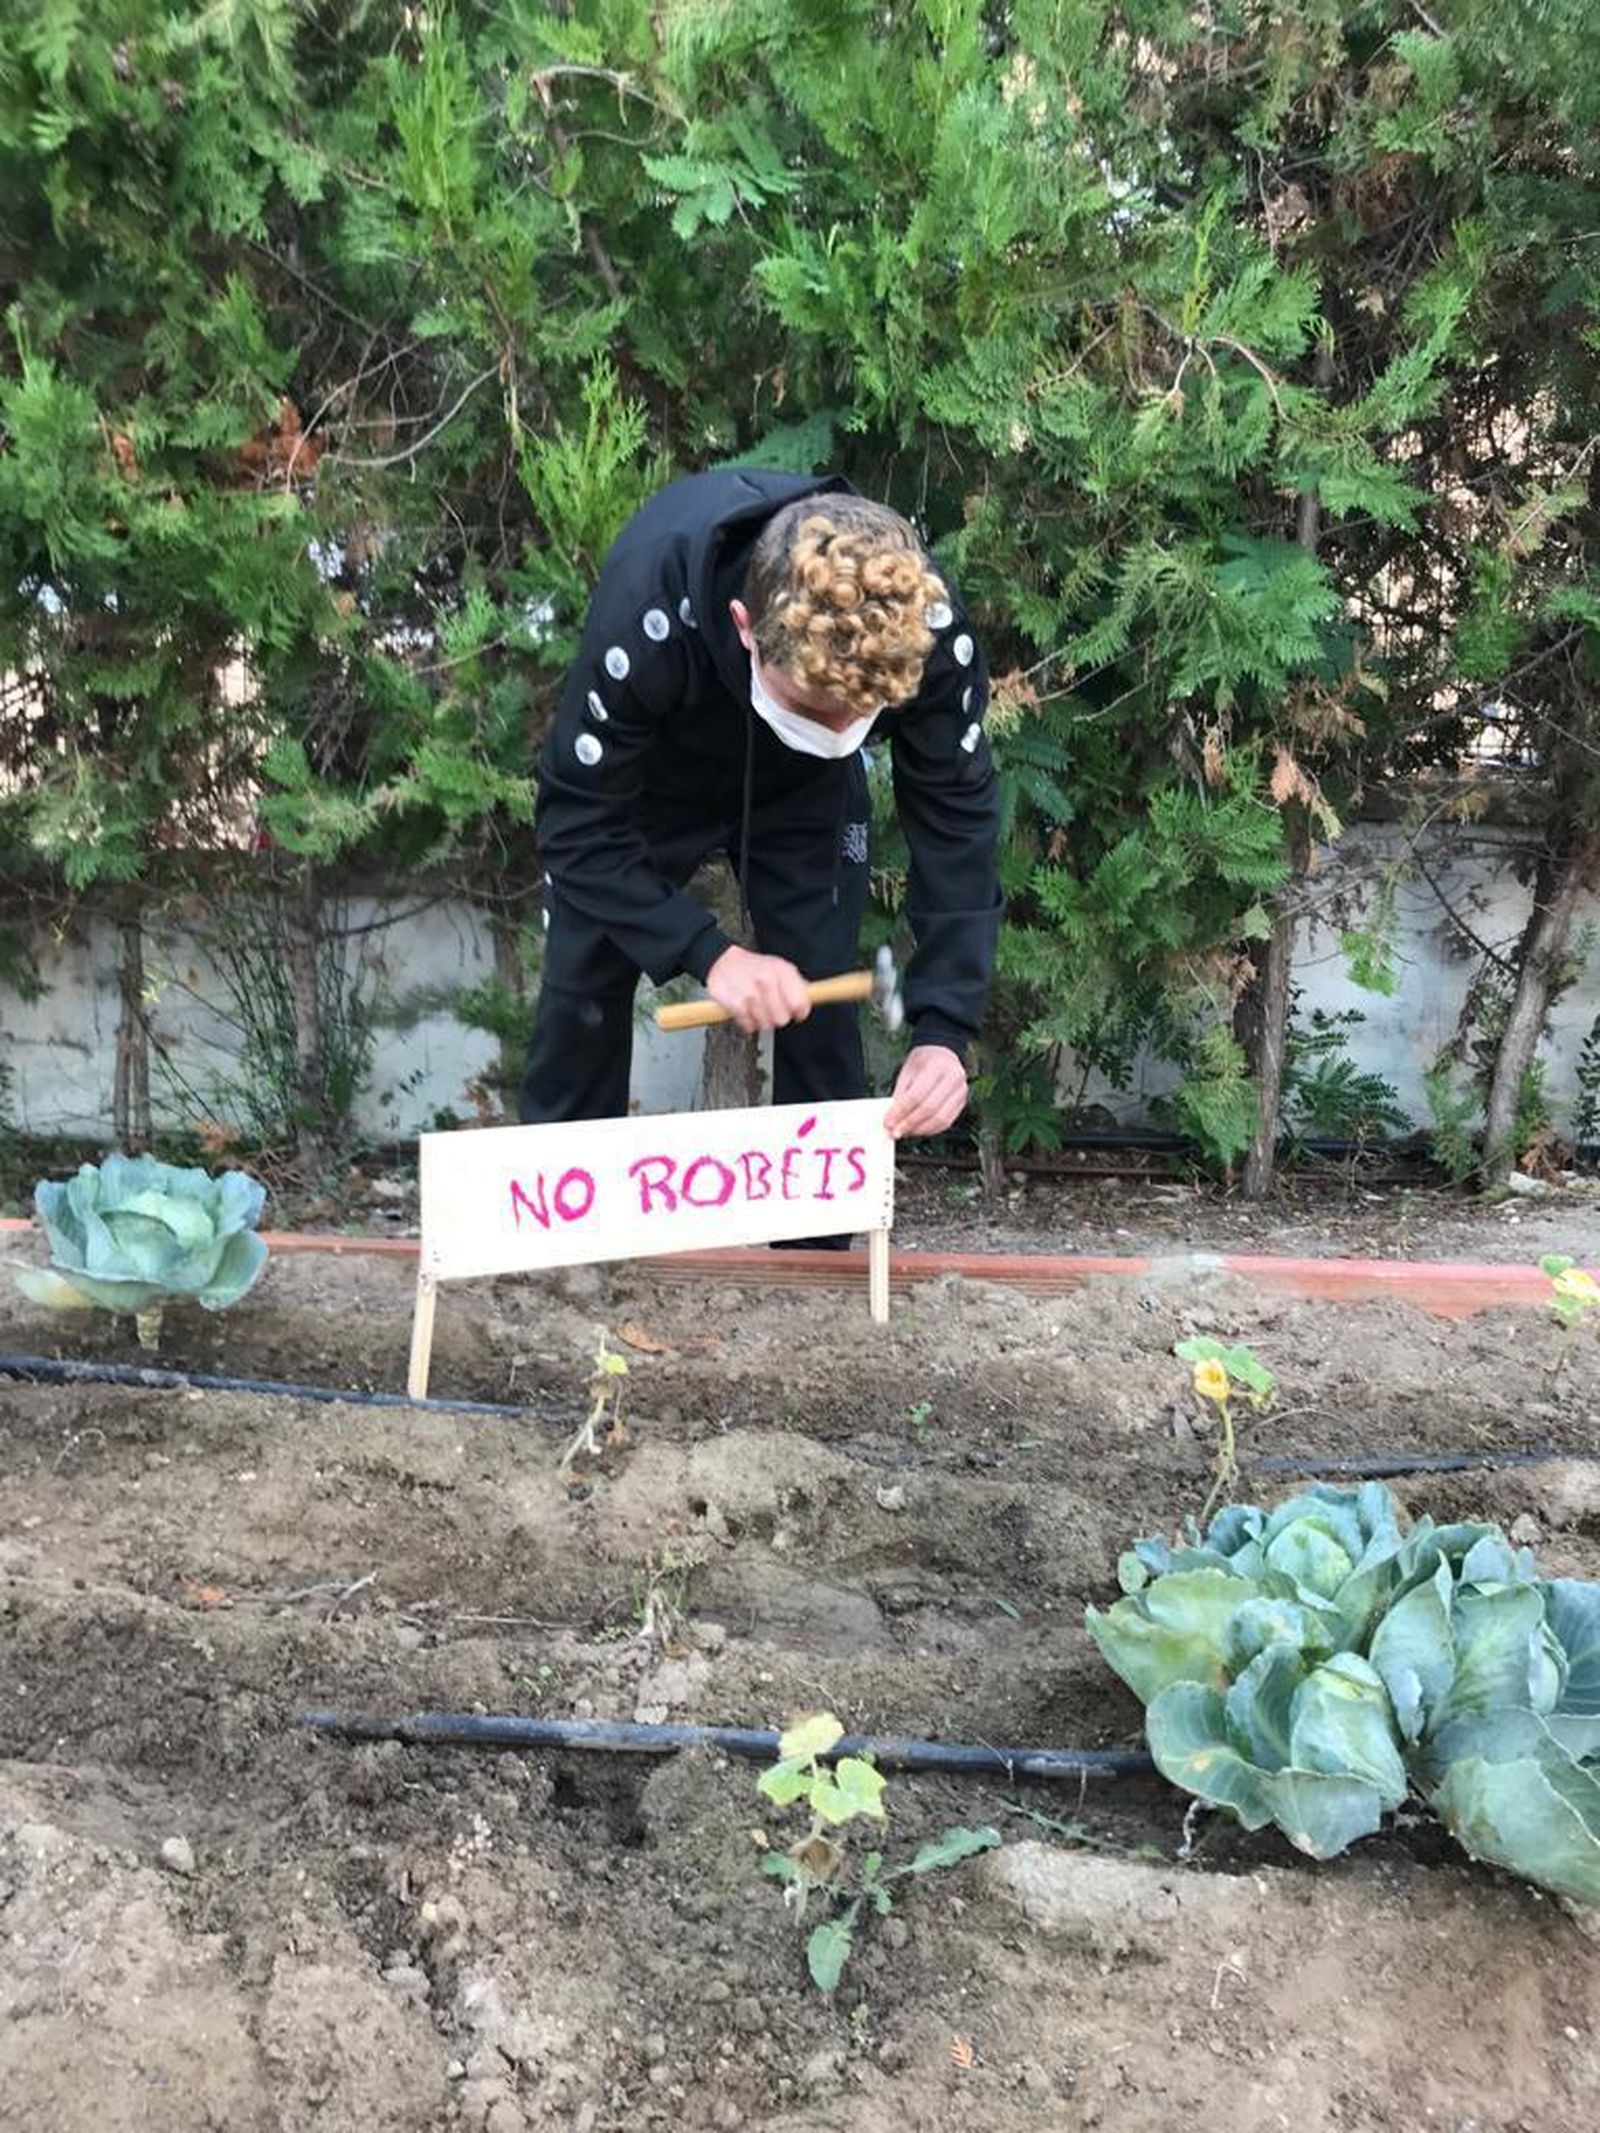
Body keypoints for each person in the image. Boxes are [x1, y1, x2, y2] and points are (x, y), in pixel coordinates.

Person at [519, 468, 1002, 1155]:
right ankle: (559, 1233)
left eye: (862, 714)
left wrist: (946, 1030)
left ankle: (818, 1250)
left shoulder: (920, 628)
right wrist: (709, 954)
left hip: (809, 788)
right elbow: (576, 823)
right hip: (657, 775)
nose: (839, 725)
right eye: (815, 708)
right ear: (745, 627)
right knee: (584, 979)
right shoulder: (647, 609)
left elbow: (958, 813)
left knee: (819, 990)